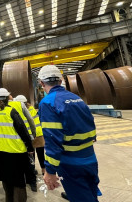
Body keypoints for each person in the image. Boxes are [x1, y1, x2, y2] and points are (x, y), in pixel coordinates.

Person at [38, 65, 101, 202]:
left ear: (41, 83)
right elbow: (90, 123)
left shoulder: (48, 103)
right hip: (90, 158)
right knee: (90, 193)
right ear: (60, 81)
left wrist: (49, 171)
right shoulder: (77, 98)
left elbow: (52, 140)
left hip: (70, 164)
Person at [0, 88, 33, 202]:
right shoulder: (12, 111)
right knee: (19, 181)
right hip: (16, 151)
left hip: (0, 151)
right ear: (8, 98)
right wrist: (29, 147)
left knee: (6, 179)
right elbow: (23, 131)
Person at [8, 95, 37, 192]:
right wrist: (33, 133)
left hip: (13, 140)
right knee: (30, 160)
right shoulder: (20, 105)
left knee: (18, 161)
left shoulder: (3, 107)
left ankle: (21, 181)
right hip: (27, 137)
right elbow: (30, 120)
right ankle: (32, 182)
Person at [14, 95, 46, 175]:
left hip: (32, 134)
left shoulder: (21, 110)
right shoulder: (31, 108)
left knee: (31, 154)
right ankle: (43, 170)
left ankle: (33, 169)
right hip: (39, 133)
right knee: (40, 154)